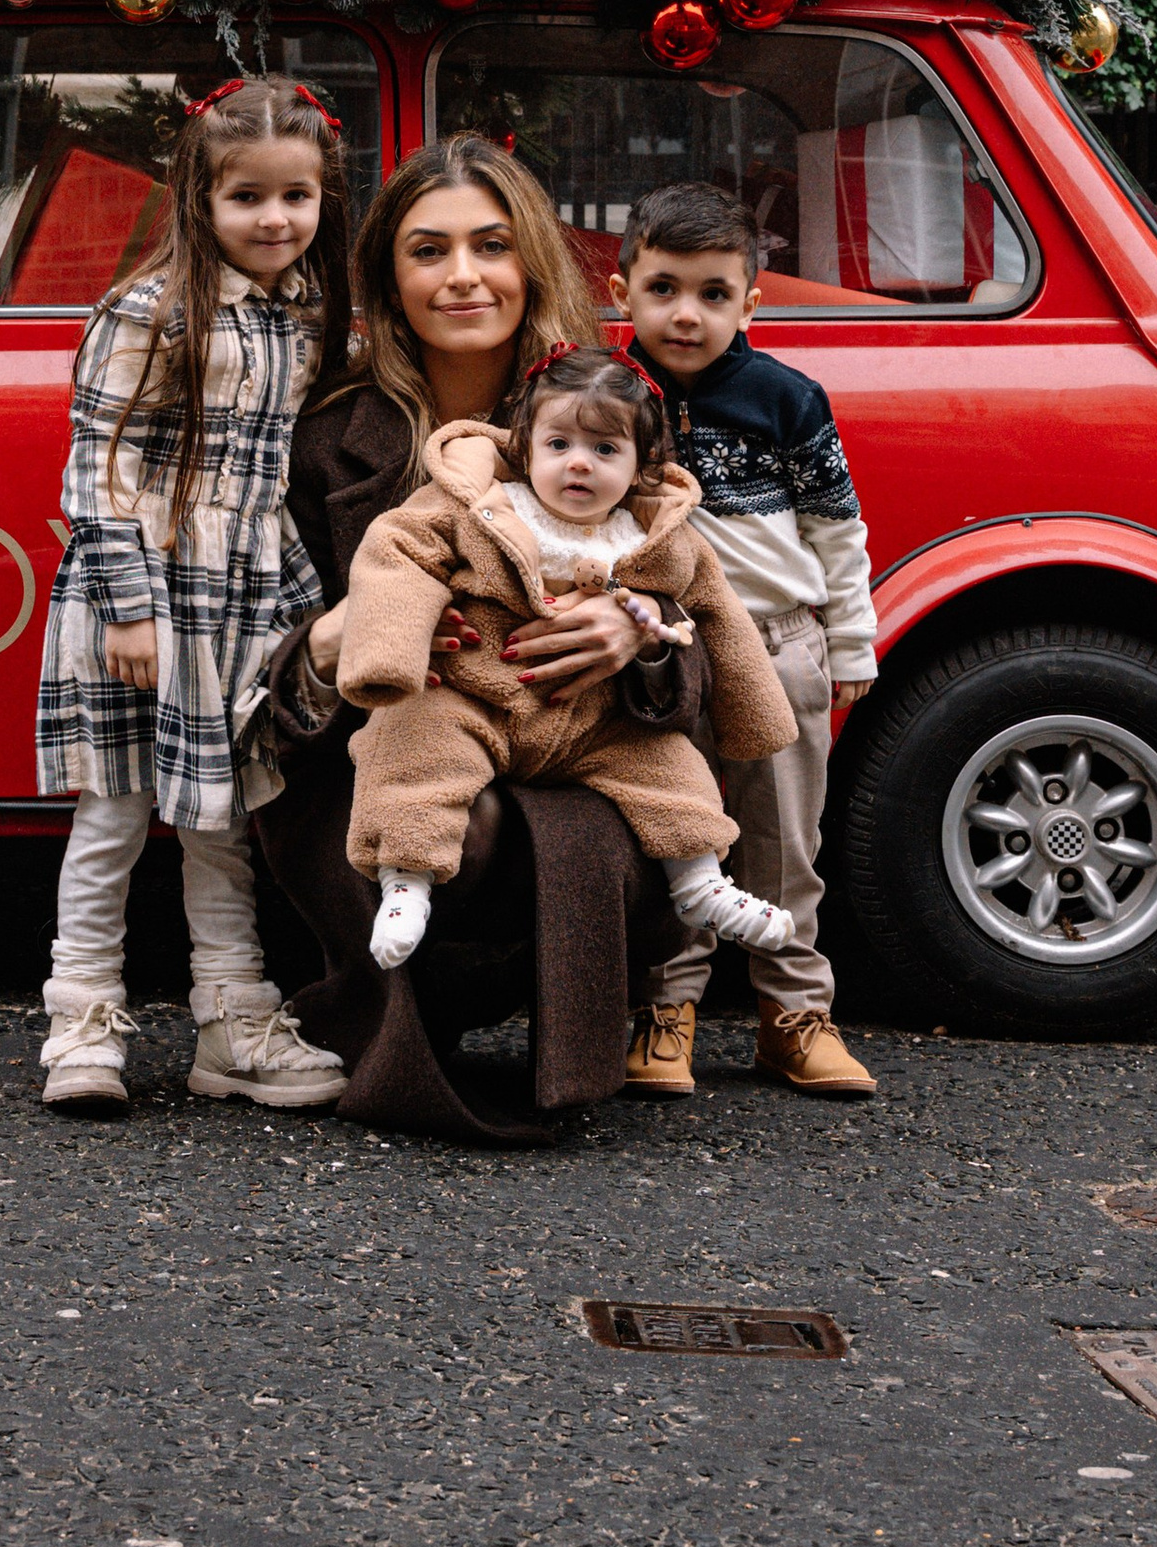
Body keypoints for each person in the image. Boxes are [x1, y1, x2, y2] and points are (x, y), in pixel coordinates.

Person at [255, 137, 709, 1142]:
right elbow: (268, 679)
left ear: (529, 262)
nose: (462, 275)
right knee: (467, 827)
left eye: (490, 245)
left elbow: (701, 639)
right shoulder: (330, 436)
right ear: (388, 277)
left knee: (582, 828)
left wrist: (632, 634)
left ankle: (571, 1023)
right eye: (428, 251)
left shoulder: (601, 410)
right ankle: (411, 1010)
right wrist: (341, 639)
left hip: (577, 751)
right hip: (376, 757)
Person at [33, 76, 356, 1119]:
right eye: (247, 197)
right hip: (148, 603)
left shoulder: (307, 310)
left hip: (240, 602)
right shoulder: (150, 310)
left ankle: (230, 1019)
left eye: (295, 196)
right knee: (115, 815)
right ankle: (79, 1022)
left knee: (225, 823)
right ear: (199, 200)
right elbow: (100, 470)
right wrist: (130, 607)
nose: (274, 219)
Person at [337, 346, 799, 970]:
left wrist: (752, 716)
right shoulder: (481, 504)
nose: (579, 463)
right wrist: (389, 655)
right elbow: (398, 552)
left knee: (672, 770)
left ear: (641, 468)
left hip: (590, 719)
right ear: (526, 448)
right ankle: (405, 878)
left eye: (606, 450)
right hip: (478, 694)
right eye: (559, 445)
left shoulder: (655, 537)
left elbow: (718, 614)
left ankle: (700, 883)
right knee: (414, 741)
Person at [612, 183, 882, 1102]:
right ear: (626, 289)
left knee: (781, 846)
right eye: (663, 289)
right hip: (664, 652)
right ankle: (665, 1011)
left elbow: (836, 529)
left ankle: (794, 1017)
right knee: (674, 835)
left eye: (713, 293)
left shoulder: (787, 398)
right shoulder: (609, 392)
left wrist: (852, 644)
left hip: (780, 644)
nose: (685, 313)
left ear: (750, 302)